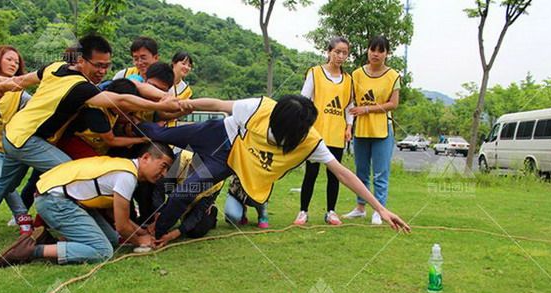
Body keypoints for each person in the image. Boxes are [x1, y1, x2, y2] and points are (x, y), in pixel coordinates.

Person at [0, 34, 184, 246]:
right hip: (26, 140)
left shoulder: (55, 67)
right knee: (72, 176)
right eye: (98, 65)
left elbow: (20, 81)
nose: (102, 71)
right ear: (80, 60)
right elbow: (121, 99)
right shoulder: (81, 88)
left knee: (4, 184)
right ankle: (54, 230)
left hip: (13, 133)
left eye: (107, 66)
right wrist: (160, 106)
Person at [137, 95, 411, 247]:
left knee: (185, 192)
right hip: (219, 133)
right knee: (154, 133)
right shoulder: (259, 108)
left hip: (227, 159)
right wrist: (183, 104)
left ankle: (155, 234)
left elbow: (342, 172)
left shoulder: (309, 141)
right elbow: (219, 105)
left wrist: (380, 208)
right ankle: (117, 129)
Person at [0, 142, 174, 267]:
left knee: (111, 240)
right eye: (163, 166)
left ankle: (49, 241)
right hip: (55, 201)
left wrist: (142, 232)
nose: (164, 174)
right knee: (103, 251)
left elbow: (114, 214)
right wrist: (140, 240)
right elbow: (122, 225)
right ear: (146, 157)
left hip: (61, 199)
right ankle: (30, 250)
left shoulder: (124, 167)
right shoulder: (127, 176)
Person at [294, 37, 353, 226]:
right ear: (329, 52)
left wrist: (349, 127)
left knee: (334, 174)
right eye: (337, 52)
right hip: (316, 132)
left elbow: (349, 107)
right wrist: (303, 125)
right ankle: (303, 211)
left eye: (344, 53)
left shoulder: (348, 80)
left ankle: (331, 212)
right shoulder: (315, 73)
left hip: (337, 133)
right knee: (310, 173)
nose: (340, 56)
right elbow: (304, 100)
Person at [343, 35, 401, 225]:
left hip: (383, 131)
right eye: (373, 49)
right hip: (361, 130)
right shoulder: (357, 74)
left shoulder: (393, 75)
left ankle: (379, 210)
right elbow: (351, 102)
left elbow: (393, 104)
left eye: (381, 50)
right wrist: (349, 124)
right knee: (361, 171)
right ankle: (360, 208)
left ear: (386, 53)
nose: (376, 54)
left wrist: (367, 109)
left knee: (380, 173)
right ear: (367, 50)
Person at [0, 46, 32, 240]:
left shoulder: (19, 95)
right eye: (9, 59)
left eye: (17, 62)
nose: (13, 64)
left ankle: (22, 219)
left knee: (3, 182)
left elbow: (38, 107)